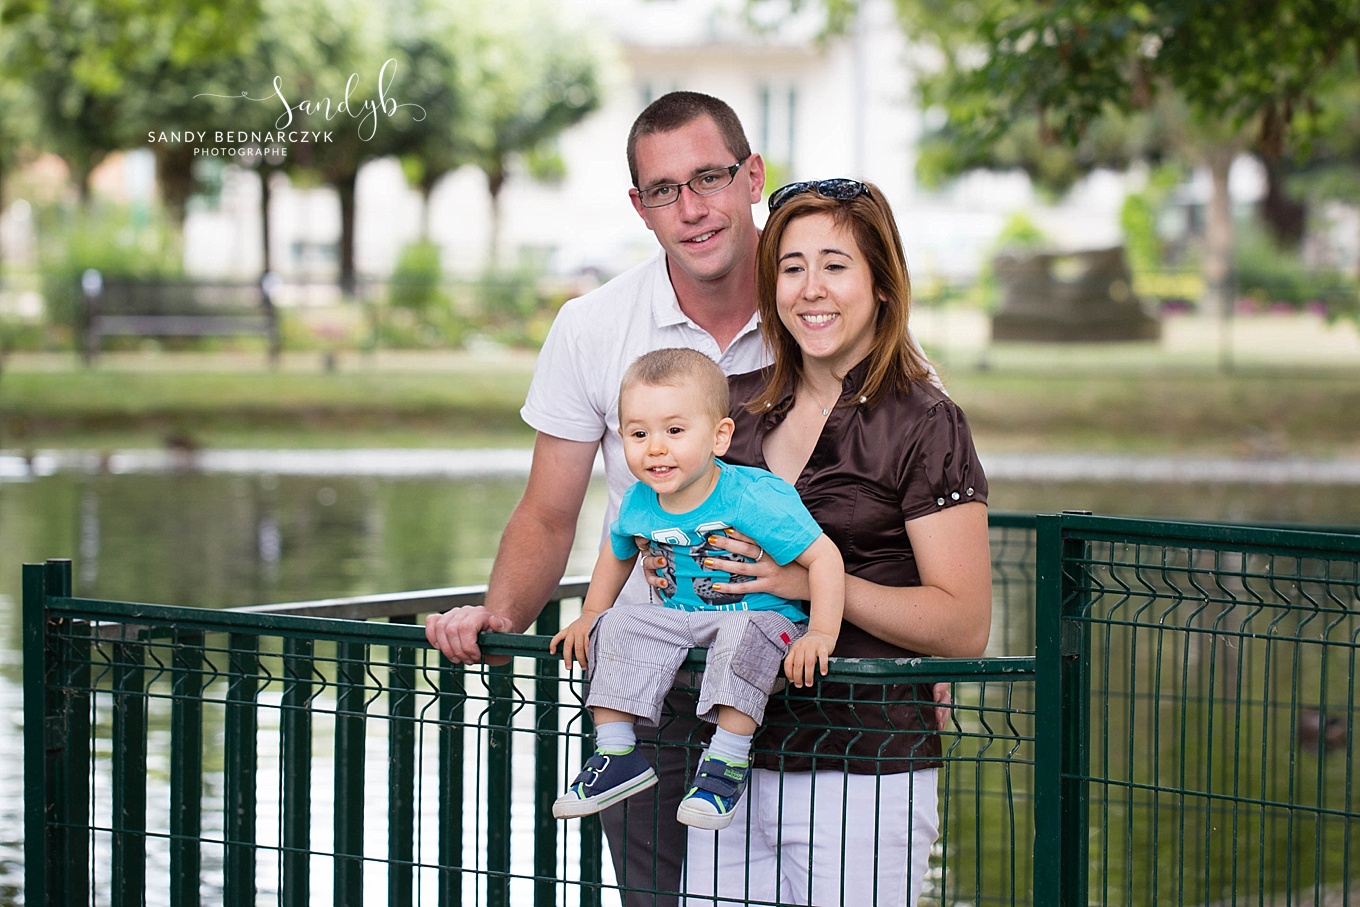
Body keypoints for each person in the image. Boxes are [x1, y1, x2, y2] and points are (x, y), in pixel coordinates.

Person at [425, 90, 772, 905]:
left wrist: (907, 662)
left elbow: (889, 488)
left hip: (792, 666)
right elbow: (549, 510)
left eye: (711, 178)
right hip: (650, 685)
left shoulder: (821, 305)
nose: (692, 209)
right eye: (663, 190)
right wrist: (499, 614)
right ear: (639, 207)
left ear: (752, 176)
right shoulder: (592, 327)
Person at [676, 179, 992, 907]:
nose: (810, 289)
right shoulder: (734, 408)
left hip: (863, 762)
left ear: (882, 283)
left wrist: (810, 582)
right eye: (791, 266)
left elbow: (963, 625)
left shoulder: (925, 422)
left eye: (835, 265)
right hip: (729, 758)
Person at [548, 348, 844, 830]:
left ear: (719, 436)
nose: (656, 448)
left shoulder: (751, 496)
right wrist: (591, 614)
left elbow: (824, 557)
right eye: (639, 434)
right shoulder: (641, 500)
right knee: (616, 622)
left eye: (675, 431)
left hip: (765, 622)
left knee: (742, 632)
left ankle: (726, 762)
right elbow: (617, 550)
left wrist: (821, 635)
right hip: (684, 622)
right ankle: (618, 754)